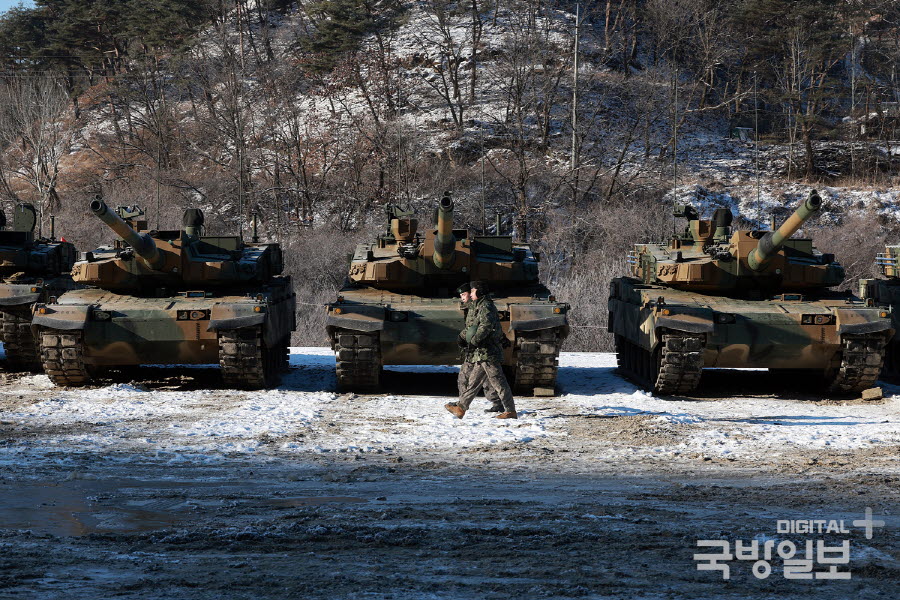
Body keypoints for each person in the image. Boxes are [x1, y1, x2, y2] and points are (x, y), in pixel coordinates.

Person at [446, 280, 516, 419]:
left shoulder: (486, 306)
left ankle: (510, 410)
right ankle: (461, 408)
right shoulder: (480, 306)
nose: (471, 294)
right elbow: (476, 326)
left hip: (488, 351)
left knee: (498, 380)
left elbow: (485, 326)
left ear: (479, 291)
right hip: (482, 351)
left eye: (472, 291)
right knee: (473, 381)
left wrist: (474, 341)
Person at [454, 283, 503, 413]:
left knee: (487, 378)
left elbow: (486, 326)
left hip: (481, 348)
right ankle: (461, 403)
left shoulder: (482, 307)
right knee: (466, 376)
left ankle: (499, 403)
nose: (464, 297)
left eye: (465, 294)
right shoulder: (473, 307)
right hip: (474, 348)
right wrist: (463, 337)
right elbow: (472, 327)